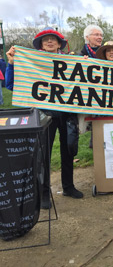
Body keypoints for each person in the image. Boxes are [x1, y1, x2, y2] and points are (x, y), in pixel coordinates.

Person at [6, 27, 83, 209]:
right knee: (43, 154)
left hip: (66, 113)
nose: (49, 42)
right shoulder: (31, 62)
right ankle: (44, 192)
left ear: (59, 43)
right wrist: (11, 63)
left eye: (53, 39)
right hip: (43, 115)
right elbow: (11, 85)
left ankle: (68, 186)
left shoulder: (69, 60)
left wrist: (85, 64)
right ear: (41, 44)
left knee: (68, 150)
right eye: (45, 39)